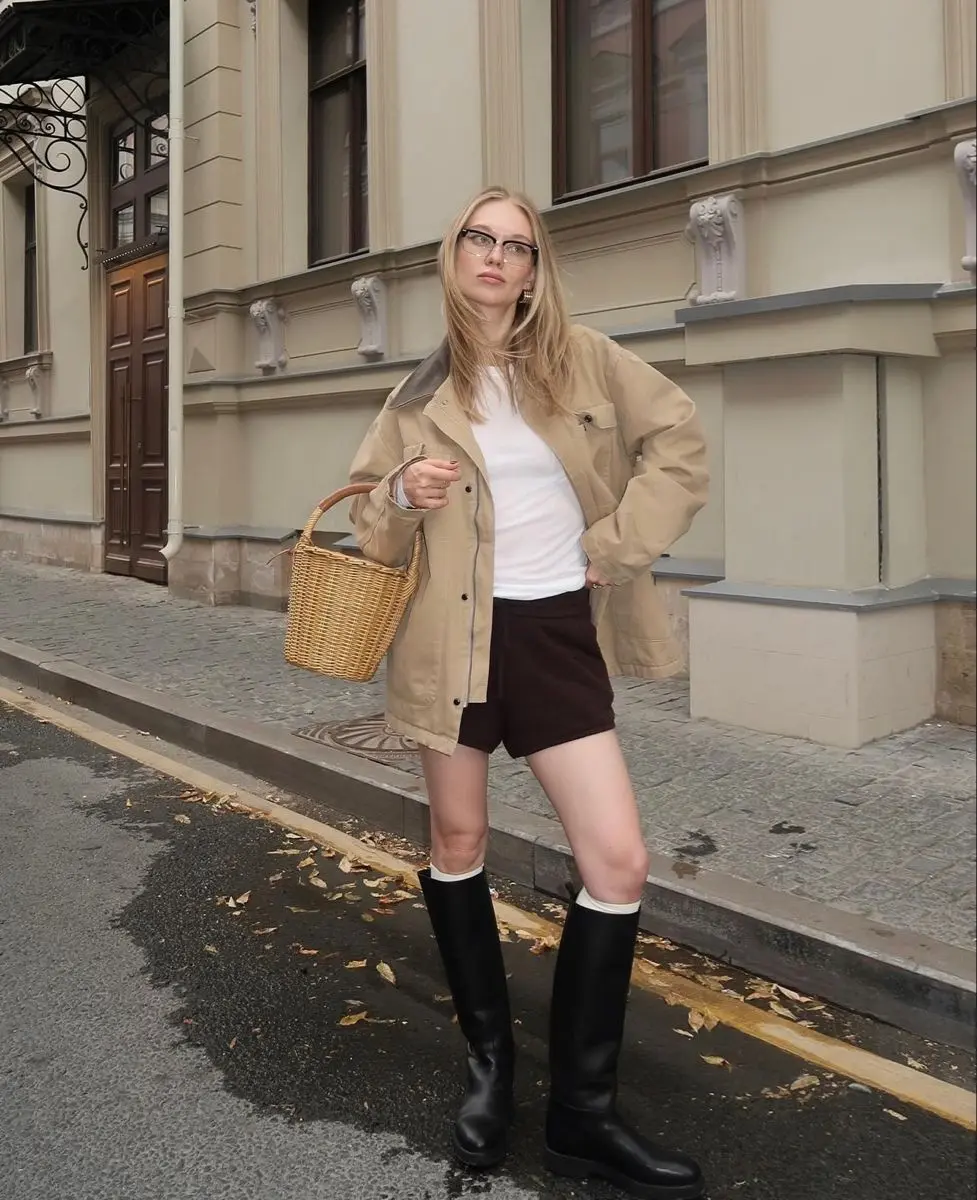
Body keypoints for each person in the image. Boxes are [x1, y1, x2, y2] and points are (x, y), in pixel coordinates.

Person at [348, 186, 709, 1199]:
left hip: (552, 633)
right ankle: (490, 1070)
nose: (497, 259)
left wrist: (614, 547)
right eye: (480, 240)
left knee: (618, 860)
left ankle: (581, 1115)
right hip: (446, 644)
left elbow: (676, 439)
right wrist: (395, 495)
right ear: (451, 257)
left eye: (516, 245)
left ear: (533, 268)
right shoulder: (414, 396)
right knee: (456, 845)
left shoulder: (582, 359)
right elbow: (364, 531)